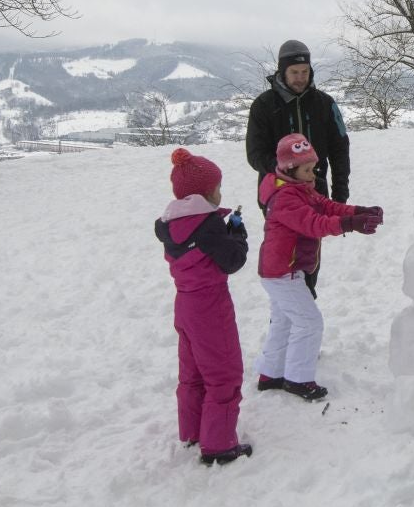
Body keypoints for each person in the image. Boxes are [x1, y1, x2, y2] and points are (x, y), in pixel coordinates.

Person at [254, 133, 382, 401]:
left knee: (284, 321)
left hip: (283, 270)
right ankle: (298, 379)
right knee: (310, 322)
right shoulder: (285, 198)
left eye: (314, 168)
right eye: (308, 170)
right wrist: (351, 224)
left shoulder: (299, 187)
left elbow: (325, 205)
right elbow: (314, 223)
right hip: (282, 273)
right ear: (290, 169)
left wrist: (358, 210)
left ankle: (271, 373)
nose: (313, 175)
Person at [154, 147, 252, 467]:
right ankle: (219, 445)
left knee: (193, 372)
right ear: (206, 192)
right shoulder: (208, 227)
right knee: (223, 372)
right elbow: (232, 260)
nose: (220, 192)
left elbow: (199, 247)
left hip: (185, 305)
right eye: (218, 188)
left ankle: (193, 431)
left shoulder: (172, 224)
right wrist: (237, 233)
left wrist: (223, 228)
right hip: (210, 307)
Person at [246, 39, 351, 298]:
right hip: (278, 194)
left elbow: (340, 148)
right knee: (284, 258)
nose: (300, 78)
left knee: (308, 254)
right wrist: (286, 170)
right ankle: (291, 316)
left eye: (305, 72)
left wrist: (340, 192)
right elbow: (255, 154)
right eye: (294, 72)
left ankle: (303, 307)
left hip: (316, 190)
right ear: (282, 71)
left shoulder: (324, 104)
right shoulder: (264, 106)